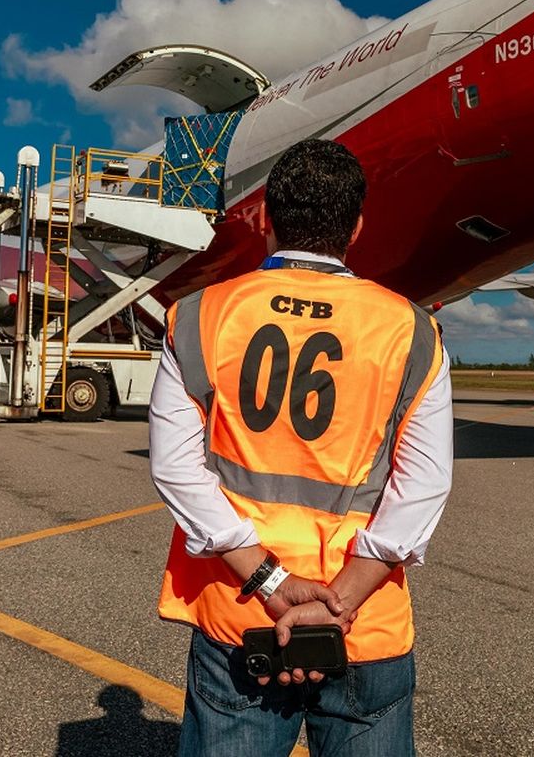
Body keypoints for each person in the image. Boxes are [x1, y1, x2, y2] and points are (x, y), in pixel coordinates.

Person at [149, 138, 453, 756]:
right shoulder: (412, 330)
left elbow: (176, 468)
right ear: (357, 226)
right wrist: (338, 602)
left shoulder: (199, 315)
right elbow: (422, 485)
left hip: (244, 616)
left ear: (264, 217)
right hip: (363, 622)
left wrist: (270, 580)